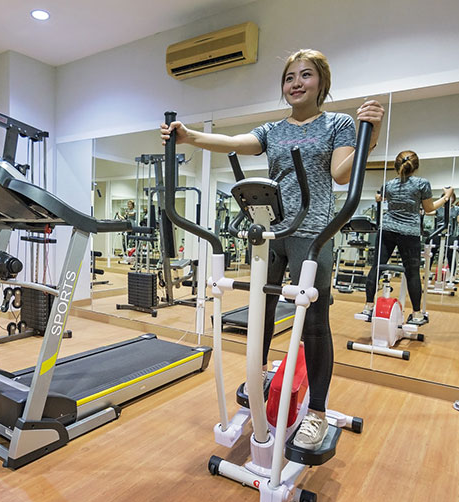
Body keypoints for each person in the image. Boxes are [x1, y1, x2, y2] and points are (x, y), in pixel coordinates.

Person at [160, 49, 384, 450]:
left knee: (314, 320)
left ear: (322, 82)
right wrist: (189, 136)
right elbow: (235, 141)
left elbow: (339, 173)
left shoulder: (339, 124)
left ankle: (316, 411)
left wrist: (371, 137)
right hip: (270, 230)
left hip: (313, 232)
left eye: (306, 75)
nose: (296, 82)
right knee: (260, 310)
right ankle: (259, 372)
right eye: (289, 77)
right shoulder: (273, 130)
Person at [361, 151, 454, 325]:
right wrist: (446, 197)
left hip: (387, 229)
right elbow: (429, 209)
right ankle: (417, 314)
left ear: (397, 166)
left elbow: (384, 198)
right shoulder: (422, 184)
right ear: (416, 166)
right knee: (412, 274)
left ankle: (367, 307)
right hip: (409, 232)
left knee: (376, 267)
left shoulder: (388, 184)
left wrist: (379, 198)